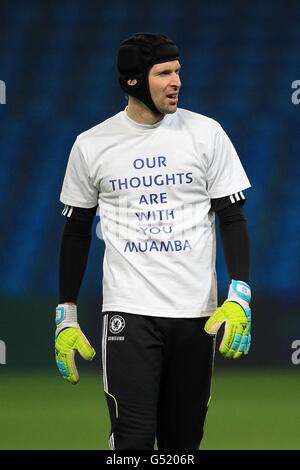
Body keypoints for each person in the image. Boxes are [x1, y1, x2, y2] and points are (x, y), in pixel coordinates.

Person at [55, 33, 252, 450]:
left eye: (178, 71)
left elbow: (232, 217)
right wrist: (65, 315)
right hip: (129, 311)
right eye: (164, 72)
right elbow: (75, 233)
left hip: (198, 313)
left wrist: (239, 293)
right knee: (133, 441)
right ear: (133, 82)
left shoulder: (207, 134)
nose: (176, 80)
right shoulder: (91, 145)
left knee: (183, 446)